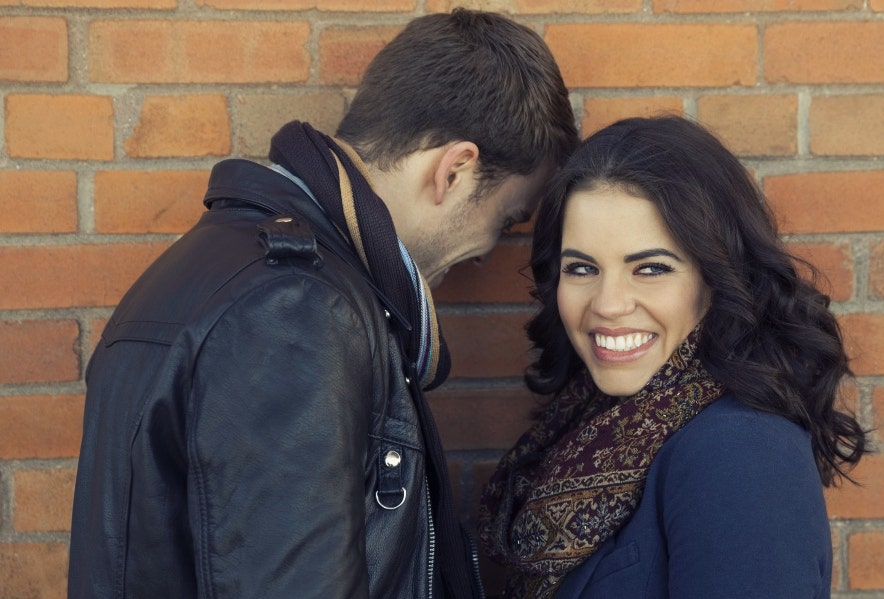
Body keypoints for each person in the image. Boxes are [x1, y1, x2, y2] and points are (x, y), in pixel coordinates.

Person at [68, 9, 578, 599]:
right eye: (507, 217)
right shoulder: (293, 310)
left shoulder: (222, 265)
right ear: (456, 170)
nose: (489, 249)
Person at [477, 115, 868, 598]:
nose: (608, 304)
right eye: (582, 268)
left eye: (650, 268)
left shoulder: (743, 451)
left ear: (716, 276)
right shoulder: (589, 422)